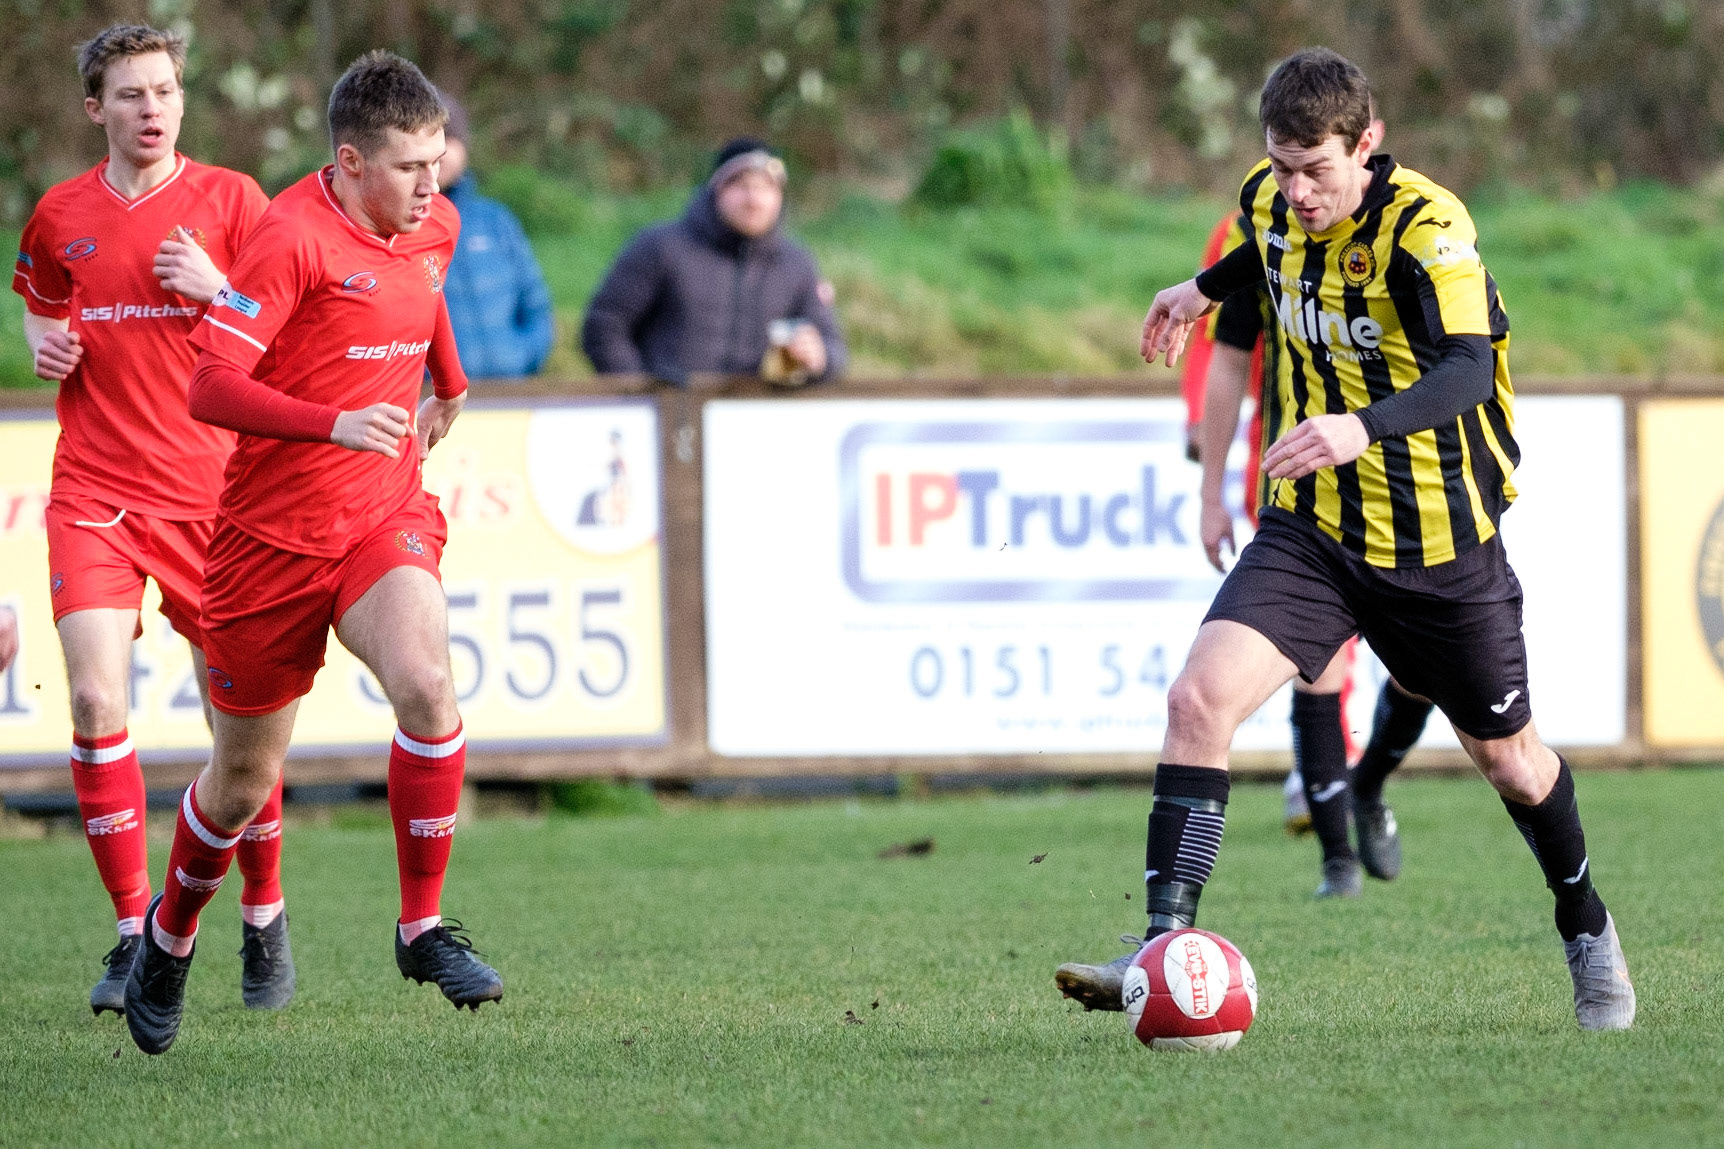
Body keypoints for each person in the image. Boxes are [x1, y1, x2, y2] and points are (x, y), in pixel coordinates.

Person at [1057, 47, 1634, 1030]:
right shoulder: (1270, 200)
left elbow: (1462, 366)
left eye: (1314, 168)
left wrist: (1357, 426)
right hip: (1313, 534)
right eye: (1278, 166)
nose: (1294, 190)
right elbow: (1264, 255)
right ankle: (1157, 951)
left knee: (1511, 764)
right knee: (1197, 699)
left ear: (1364, 145)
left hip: (1438, 543)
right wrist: (1201, 289)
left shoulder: (1429, 226)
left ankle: (1585, 931)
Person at [122, 50, 500, 1056]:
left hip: (380, 519)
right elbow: (210, 388)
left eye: (437, 161)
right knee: (243, 783)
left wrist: (450, 383)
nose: (433, 183)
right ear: (346, 162)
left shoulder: (436, 221)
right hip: (266, 544)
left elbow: (427, 293)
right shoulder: (289, 241)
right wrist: (335, 423)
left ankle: (420, 929)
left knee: (428, 684)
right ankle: (168, 937)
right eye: (411, 166)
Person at [11, 23, 293, 1017]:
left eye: (164, 90)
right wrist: (47, 345)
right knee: (94, 704)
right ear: (96, 108)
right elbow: (42, 300)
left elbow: (288, 338)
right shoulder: (60, 214)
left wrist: (220, 292)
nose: (152, 108)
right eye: (130, 94)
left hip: (217, 500)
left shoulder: (232, 204)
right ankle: (134, 934)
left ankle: (262, 912)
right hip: (93, 492)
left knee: (240, 736)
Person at [581, 137, 846, 385]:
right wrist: (642, 394)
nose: (754, 200)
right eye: (742, 186)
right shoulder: (660, 247)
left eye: (766, 187)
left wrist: (820, 359)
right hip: (671, 419)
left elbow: (834, 350)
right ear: (716, 190)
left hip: (760, 420)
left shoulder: (797, 262)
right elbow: (604, 326)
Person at [436, 94, 554, 379]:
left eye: (449, 139)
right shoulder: (396, 228)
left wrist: (521, 357)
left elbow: (537, 307)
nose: (439, 154)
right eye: (430, 142)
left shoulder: (496, 221)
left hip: (508, 400)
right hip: (432, 404)